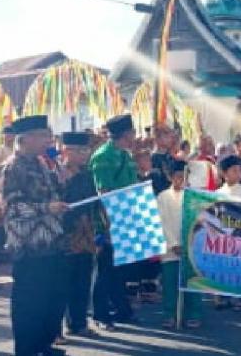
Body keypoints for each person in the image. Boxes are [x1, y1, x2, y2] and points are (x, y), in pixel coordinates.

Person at [1, 115, 69, 356]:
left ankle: (44, 345)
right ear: (26, 139)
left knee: (51, 302)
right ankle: (27, 350)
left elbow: (54, 193)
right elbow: (12, 208)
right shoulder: (12, 168)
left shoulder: (43, 163)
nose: (48, 140)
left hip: (52, 244)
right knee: (30, 305)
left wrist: (62, 178)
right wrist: (46, 208)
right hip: (29, 248)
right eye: (43, 135)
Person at [89, 114, 140, 330]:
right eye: (132, 133)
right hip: (109, 221)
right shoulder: (103, 156)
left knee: (120, 270)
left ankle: (121, 309)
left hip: (127, 217)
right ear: (125, 134)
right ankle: (100, 314)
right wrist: (109, 226)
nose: (134, 136)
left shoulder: (125, 155)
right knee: (105, 270)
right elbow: (104, 193)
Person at [59, 132, 98, 338]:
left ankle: (79, 322)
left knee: (83, 279)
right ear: (66, 150)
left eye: (87, 150)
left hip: (86, 235)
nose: (85, 154)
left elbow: (93, 202)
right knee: (64, 281)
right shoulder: (57, 173)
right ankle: (59, 326)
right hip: (65, 235)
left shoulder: (87, 174)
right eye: (81, 151)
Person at [157, 159, 201, 329]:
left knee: (192, 281)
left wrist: (189, 244)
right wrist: (174, 244)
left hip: (190, 247)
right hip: (170, 249)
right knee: (170, 283)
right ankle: (170, 314)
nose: (180, 179)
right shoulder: (163, 197)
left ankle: (193, 314)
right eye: (177, 176)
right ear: (170, 177)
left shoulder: (195, 196)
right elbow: (162, 222)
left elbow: (198, 222)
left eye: (184, 175)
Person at [216, 155, 241, 312]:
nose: (239, 173)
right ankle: (223, 296)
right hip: (224, 235)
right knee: (224, 266)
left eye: (240, 170)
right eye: (234, 170)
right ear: (224, 174)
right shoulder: (218, 192)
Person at [150, 124, 175, 196]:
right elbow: (157, 183)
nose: (171, 138)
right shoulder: (154, 159)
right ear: (158, 139)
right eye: (167, 135)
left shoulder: (170, 155)